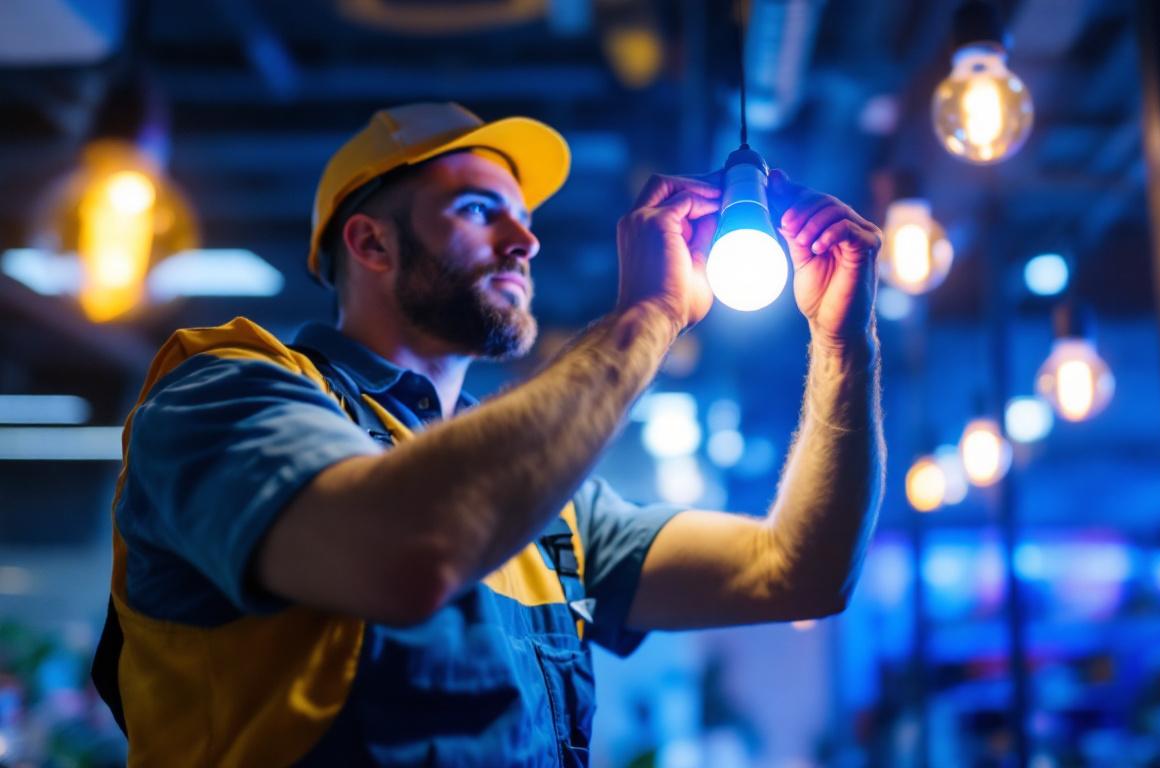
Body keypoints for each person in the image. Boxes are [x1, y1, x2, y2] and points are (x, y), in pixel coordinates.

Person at [93, 102, 885, 766]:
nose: (525, 240)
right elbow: (407, 554)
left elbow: (799, 573)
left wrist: (845, 344)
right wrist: (647, 319)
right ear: (370, 242)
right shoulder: (225, 391)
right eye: (479, 209)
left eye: (525, 216)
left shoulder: (548, 508)